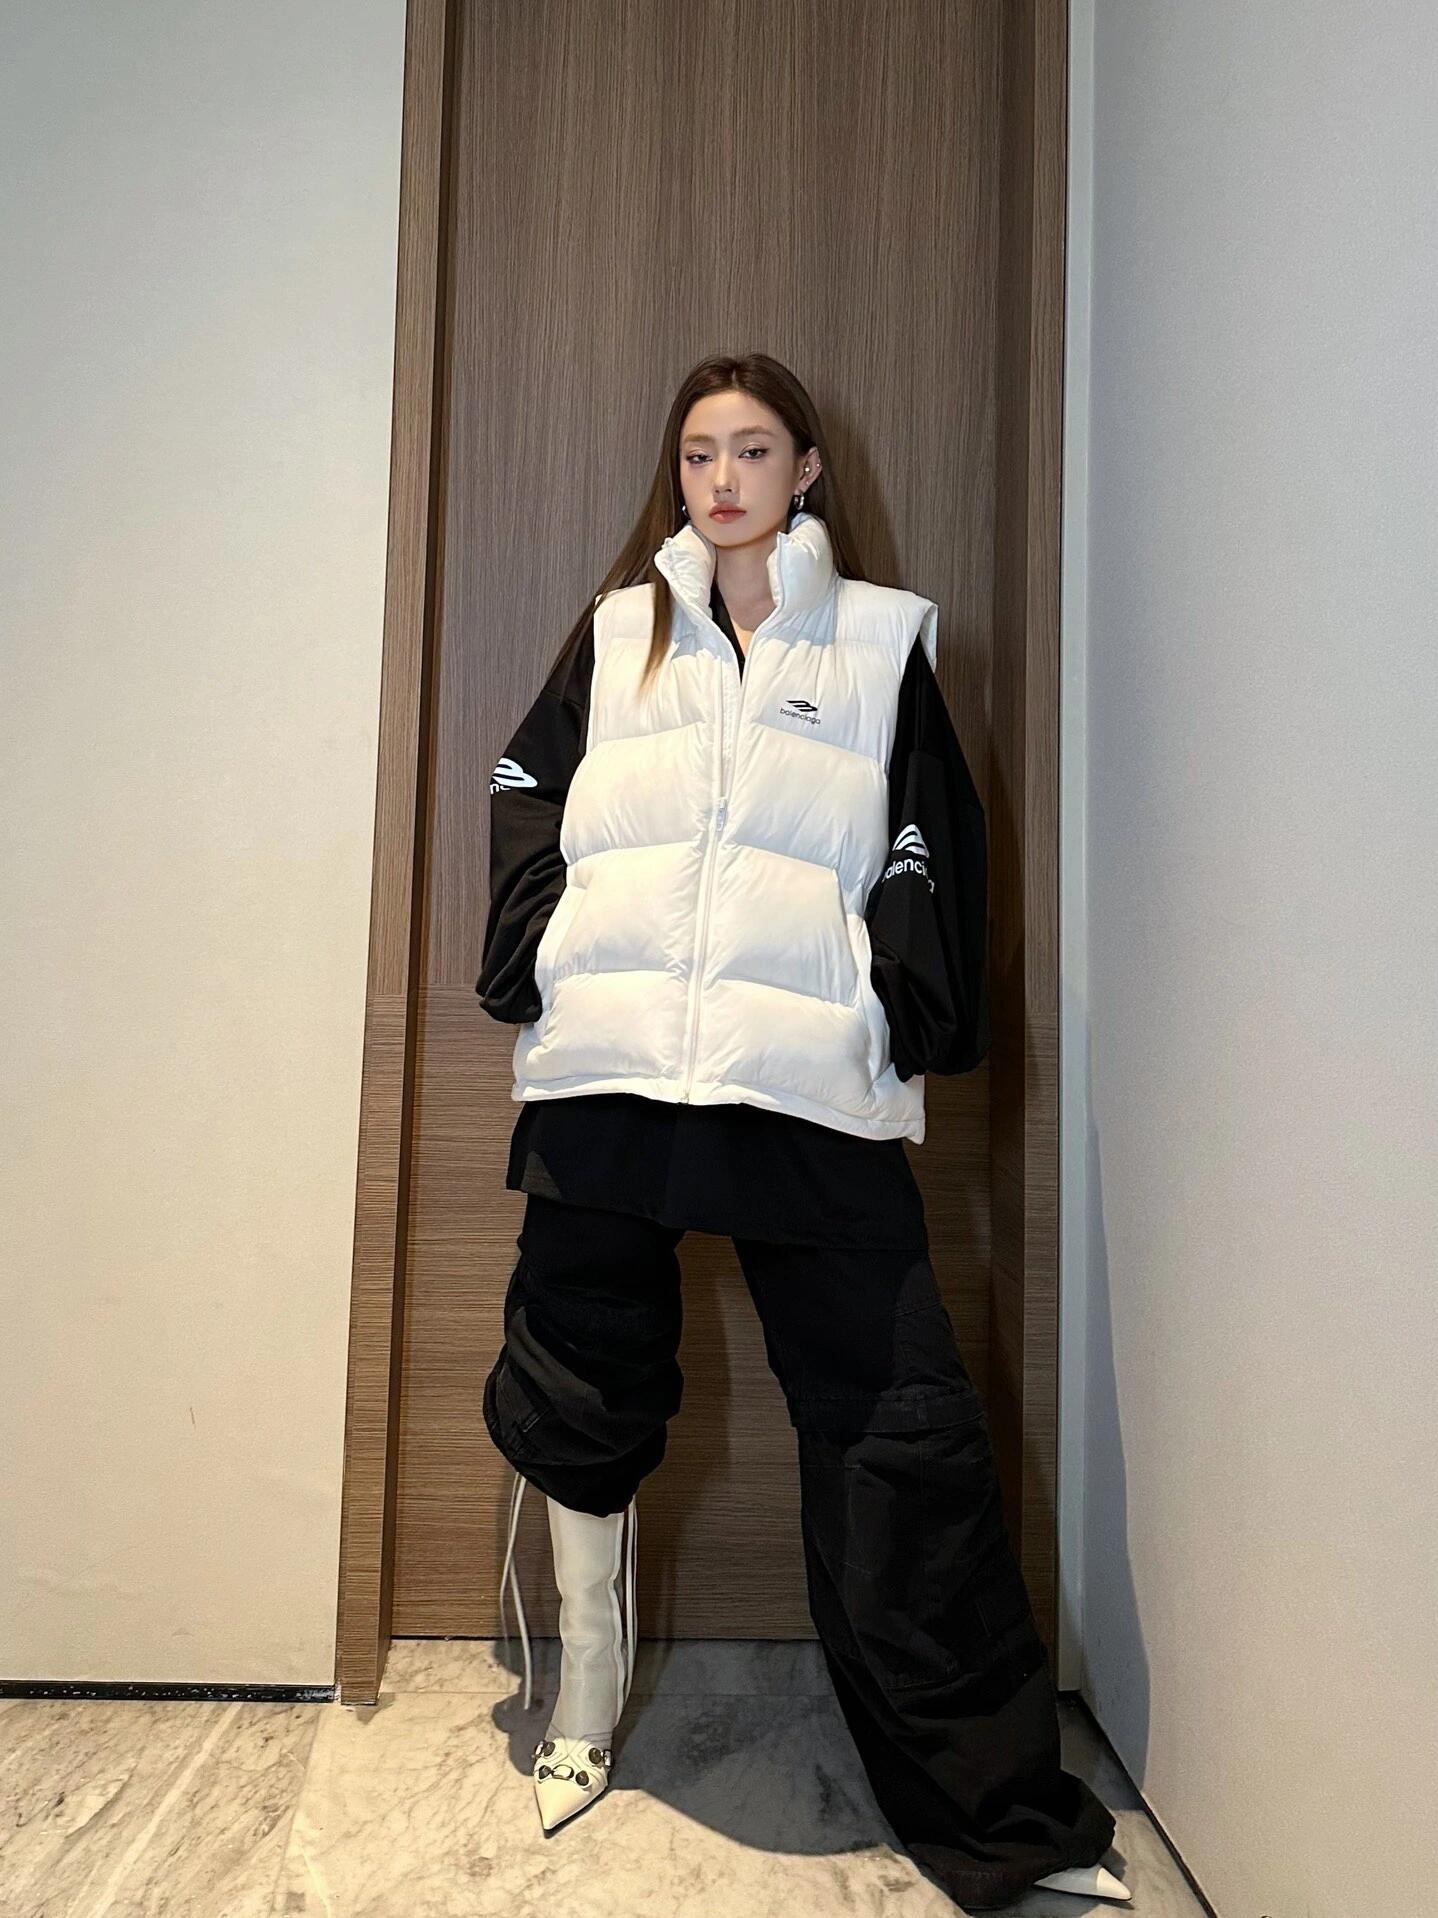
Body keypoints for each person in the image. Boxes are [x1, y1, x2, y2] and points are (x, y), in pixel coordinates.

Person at [474, 353, 1123, 1909]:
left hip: (800, 1086)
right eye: (698, 451)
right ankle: (582, 1700)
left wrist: (891, 1007)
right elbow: (522, 793)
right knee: (579, 1388)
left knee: (900, 1430)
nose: (721, 478)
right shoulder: (615, 631)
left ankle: (987, 1808)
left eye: (752, 449)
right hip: (613, 1072)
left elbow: (929, 838)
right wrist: (540, 955)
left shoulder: (881, 640)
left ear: (806, 467)